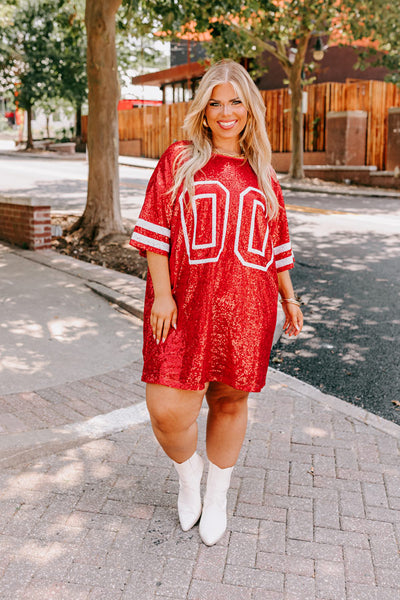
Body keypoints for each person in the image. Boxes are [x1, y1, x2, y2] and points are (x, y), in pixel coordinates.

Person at [129, 60, 303, 546]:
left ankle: (218, 495)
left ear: (250, 108)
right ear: (203, 111)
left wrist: (288, 297)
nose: (226, 112)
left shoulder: (264, 173)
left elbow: (278, 244)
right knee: (166, 410)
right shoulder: (179, 159)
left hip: (248, 307)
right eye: (216, 102)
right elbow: (154, 234)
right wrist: (162, 294)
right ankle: (189, 475)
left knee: (229, 401)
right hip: (182, 306)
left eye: (235, 102)